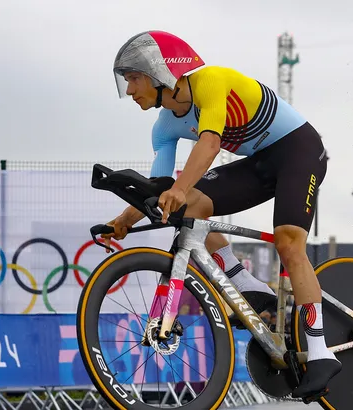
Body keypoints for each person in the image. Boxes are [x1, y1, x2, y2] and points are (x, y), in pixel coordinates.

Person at [103, 30, 339, 400]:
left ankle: (322, 353)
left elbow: (210, 143)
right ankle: (245, 283)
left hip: (299, 150)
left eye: (134, 78)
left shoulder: (210, 81)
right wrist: (124, 220)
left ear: (160, 71)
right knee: (188, 206)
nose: (130, 90)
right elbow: (158, 186)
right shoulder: (163, 127)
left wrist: (179, 188)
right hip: (259, 163)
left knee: (288, 243)